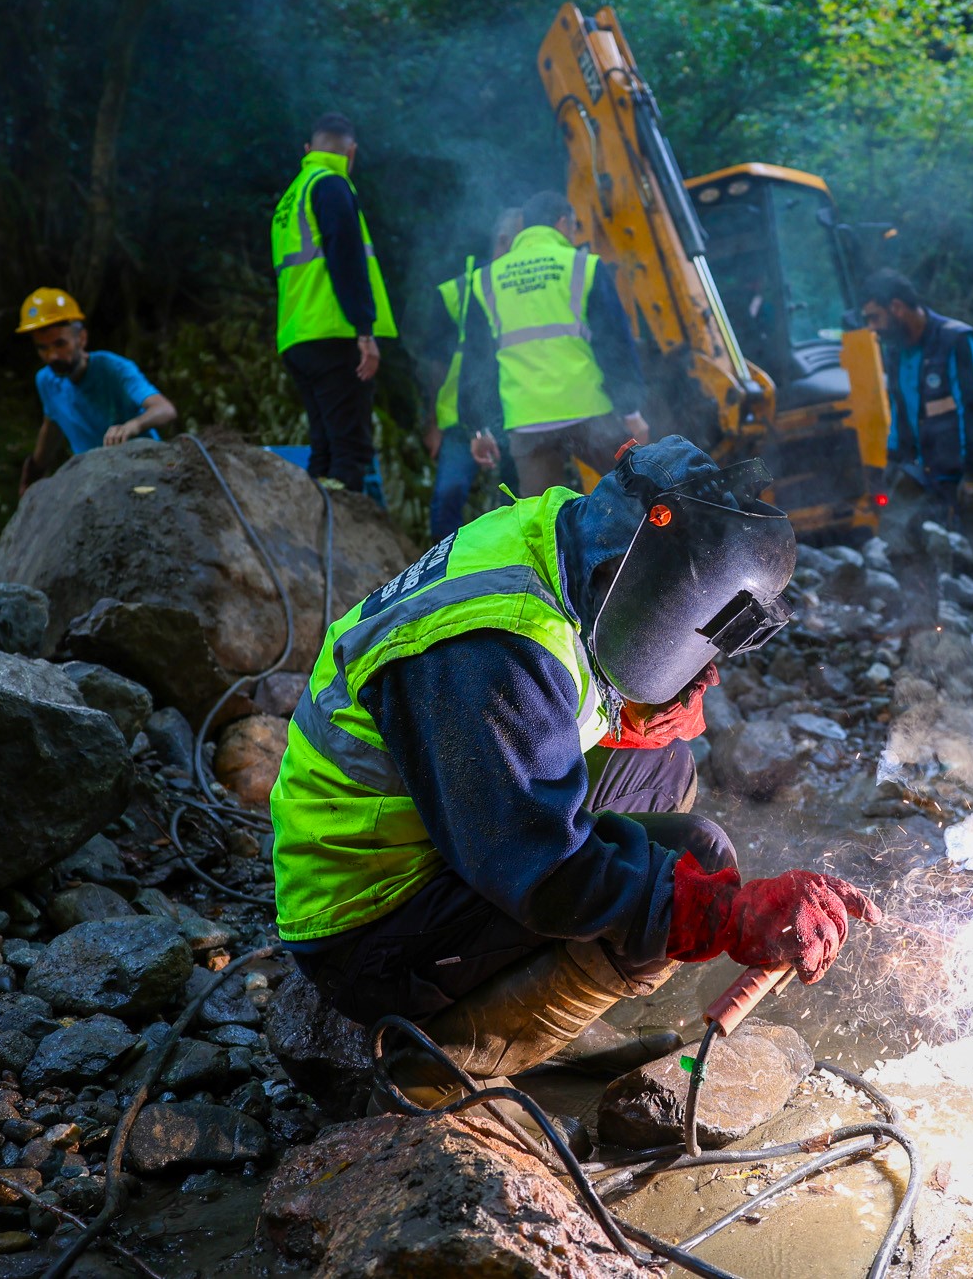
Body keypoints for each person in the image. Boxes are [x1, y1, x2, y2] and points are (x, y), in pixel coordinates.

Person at [269, 436, 879, 1114]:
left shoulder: (574, 535)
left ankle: (542, 1004)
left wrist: (660, 691)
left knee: (663, 769)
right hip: (365, 921)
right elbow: (547, 868)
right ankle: (438, 1061)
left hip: (442, 828)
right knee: (672, 881)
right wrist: (722, 914)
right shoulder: (494, 645)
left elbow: (556, 694)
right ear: (646, 577)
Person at [859, 268, 973, 630]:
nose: (873, 327)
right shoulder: (898, 352)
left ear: (897, 307)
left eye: (876, 317)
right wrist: (891, 465)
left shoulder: (956, 340)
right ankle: (922, 617)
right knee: (896, 529)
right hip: (925, 467)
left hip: (970, 466)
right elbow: (901, 411)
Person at [458, 190, 649, 497]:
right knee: (643, 493)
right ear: (563, 223)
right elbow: (614, 343)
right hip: (589, 412)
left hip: (527, 421)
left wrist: (478, 428)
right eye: (574, 228)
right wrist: (631, 411)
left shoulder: (485, 281)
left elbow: (475, 361)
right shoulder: (583, 266)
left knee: (542, 520)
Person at [272, 111, 397, 492]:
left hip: (297, 335)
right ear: (352, 152)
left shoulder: (291, 196)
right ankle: (343, 539)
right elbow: (347, 257)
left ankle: (313, 536)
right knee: (349, 450)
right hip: (333, 330)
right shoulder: (331, 185)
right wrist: (364, 329)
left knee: (324, 447)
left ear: (308, 149)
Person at [424, 208, 524, 542]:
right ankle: (443, 574)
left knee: (515, 502)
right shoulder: (461, 291)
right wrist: (433, 422)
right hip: (460, 417)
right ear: (504, 241)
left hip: (516, 411)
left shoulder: (525, 288)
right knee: (448, 497)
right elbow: (435, 362)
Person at [15, 287, 176, 494]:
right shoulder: (46, 380)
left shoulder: (113, 368)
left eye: (59, 344)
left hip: (144, 468)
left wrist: (132, 426)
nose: (52, 356)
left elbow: (165, 409)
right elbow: (51, 425)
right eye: (43, 348)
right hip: (94, 480)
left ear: (81, 338)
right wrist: (33, 472)